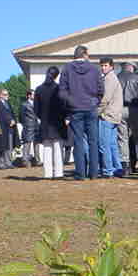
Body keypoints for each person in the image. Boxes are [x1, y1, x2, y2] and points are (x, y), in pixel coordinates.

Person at [58, 45, 103, 180]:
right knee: (93, 141)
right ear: (84, 55)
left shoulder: (66, 69)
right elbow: (101, 89)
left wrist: (70, 103)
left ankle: (80, 173)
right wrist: (95, 101)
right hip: (91, 108)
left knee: (78, 141)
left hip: (75, 109)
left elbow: (62, 92)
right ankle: (94, 173)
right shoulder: (95, 69)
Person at [34, 66, 65, 179]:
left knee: (47, 148)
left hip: (45, 122)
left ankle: (47, 174)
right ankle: (59, 173)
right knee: (58, 148)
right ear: (56, 76)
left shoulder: (38, 89)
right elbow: (64, 106)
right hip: (57, 123)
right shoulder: (59, 89)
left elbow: (36, 110)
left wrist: (42, 118)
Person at [118, 62, 138, 175]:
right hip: (135, 109)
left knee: (123, 138)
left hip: (120, 109)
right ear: (132, 68)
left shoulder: (117, 78)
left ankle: (126, 166)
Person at [97, 57, 123, 178]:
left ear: (112, 66)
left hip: (107, 115)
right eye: (102, 65)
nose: (103, 68)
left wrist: (96, 111)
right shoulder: (113, 78)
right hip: (115, 116)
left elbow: (105, 99)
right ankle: (117, 168)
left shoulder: (109, 79)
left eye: (105, 65)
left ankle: (108, 170)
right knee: (112, 145)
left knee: (104, 145)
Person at [0, 89, 18, 169]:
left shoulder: (8, 103)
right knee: (1, 147)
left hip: (10, 128)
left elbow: (11, 113)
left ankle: (8, 162)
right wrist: (9, 121)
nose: (7, 96)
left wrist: (13, 121)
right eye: (5, 94)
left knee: (9, 146)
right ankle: (0, 164)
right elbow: (1, 115)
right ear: (0, 95)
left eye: (8, 94)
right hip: (2, 128)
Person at [19, 89, 37, 167]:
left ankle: (37, 160)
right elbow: (21, 116)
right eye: (33, 94)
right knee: (27, 143)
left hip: (36, 126)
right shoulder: (24, 104)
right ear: (29, 95)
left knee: (37, 143)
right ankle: (25, 160)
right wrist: (25, 124)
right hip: (28, 126)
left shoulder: (37, 104)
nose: (35, 96)